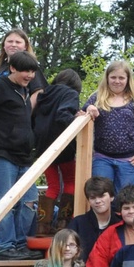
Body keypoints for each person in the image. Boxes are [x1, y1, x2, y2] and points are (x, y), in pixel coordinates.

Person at [0, 50, 43, 260]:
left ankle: (20, 244)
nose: (29, 75)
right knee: (4, 201)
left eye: (32, 71)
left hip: (24, 156)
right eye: (25, 71)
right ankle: (2, 246)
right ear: (12, 68)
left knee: (30, 200)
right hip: (1, 153)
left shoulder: (26, 91)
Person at [83, 60, 134, 194]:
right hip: (102, 158)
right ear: (107, 78)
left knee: (124, 197)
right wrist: (89, 107)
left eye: (121, 78)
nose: (117, 81)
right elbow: (82, 111)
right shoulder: (97, 97)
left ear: (127, 79)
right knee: (101, 194)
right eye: (113, 77)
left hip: (129, 160)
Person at [33, 69, 83, 234]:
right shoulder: (70, 93)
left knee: (52, 185)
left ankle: (42, 227)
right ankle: (63, 224)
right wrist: (77, 121)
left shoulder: (43, 93)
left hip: (42, 146)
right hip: (62, 144)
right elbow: (63, 115)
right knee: (70, 181)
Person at [67, 176, 120, 265]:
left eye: (102, 196)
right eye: (92, 197)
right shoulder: (77, 223)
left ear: (112, 197)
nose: (98, 201)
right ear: (88, 200)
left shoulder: (120, 224)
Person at [0, 28, 46, 107]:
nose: (13, 45)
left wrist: (25, 111)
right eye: (10, 41)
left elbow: (38, 92)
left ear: (25, 46)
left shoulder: (30, 66)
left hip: (16, 114)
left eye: (18, 42)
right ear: (4, 45)